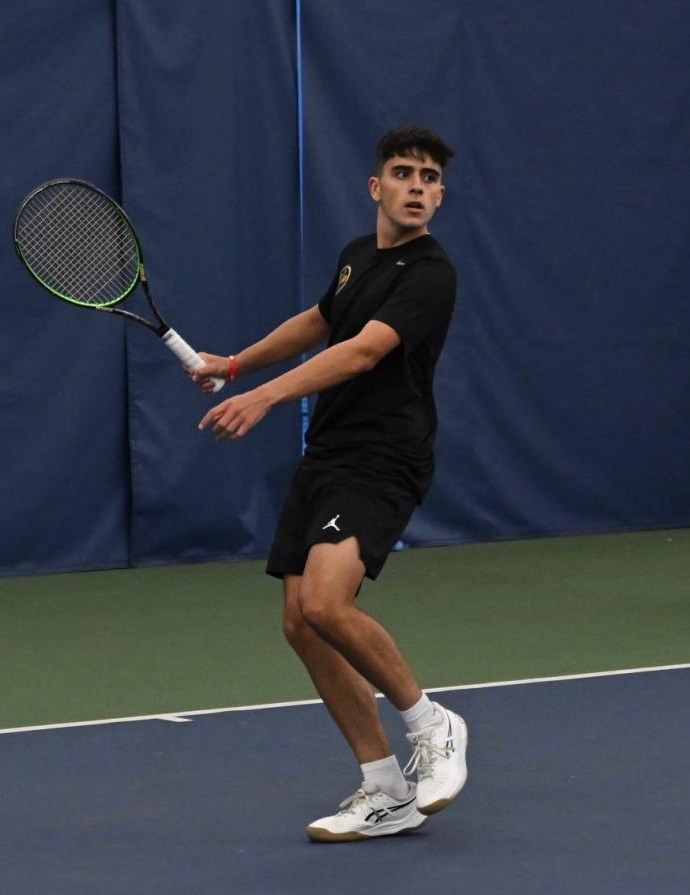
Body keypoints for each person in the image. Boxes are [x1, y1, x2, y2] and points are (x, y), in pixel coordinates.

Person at [190, 125, 466, 841]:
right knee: (300, 623)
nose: (417, 184)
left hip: (384, 457)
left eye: (429, 176)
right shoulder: (355, 258)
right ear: (377, 187)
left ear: (439, 194)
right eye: (403, 172)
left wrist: (264, 398)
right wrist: (236, 363)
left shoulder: (432, 272)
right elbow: (320, 320)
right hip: (329, 454)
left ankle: (430, 722)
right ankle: (383, 786)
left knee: (325, 600)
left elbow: (364, 349)